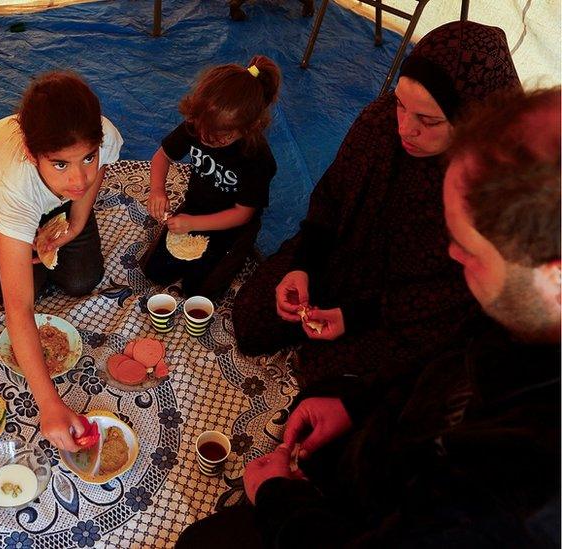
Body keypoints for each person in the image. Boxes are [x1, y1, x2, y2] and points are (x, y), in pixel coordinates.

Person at [177, 86, 561, 548]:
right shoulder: (517, 315)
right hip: (385, 453)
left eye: (472, 251)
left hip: (374, 513)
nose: (453, 256)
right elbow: (443, 363)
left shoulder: (517, 496)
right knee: (318, 392)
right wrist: (357, 403)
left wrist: (280, 500)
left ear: (555, 275)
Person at [232, 21, 522, 388]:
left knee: (333, 381)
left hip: (411, 307)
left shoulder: (496, 184)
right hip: (347, 259)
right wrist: (303, 265)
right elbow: (332, 198)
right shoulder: (380, 122)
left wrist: (355, 316)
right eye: (401, 105)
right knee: (253, 320)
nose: (404, 128)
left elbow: (447, 293)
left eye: (427, 121)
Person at [0, 71, 124, 451]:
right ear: (33, 155)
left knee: (83, 279)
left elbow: (92, 177)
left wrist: (77, 221)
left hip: (53, 205)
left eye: (87, 156)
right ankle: (11, 235)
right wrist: (49, 404)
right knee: (18, 291)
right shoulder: (11, 184)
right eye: (60, 164)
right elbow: (19, 307)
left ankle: (51, 222)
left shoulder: (102, 136)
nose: (79, 180)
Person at [143, 58, 280, 299]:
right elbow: (161, 156)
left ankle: (240, 252)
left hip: (233, 226)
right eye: (203, 131)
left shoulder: (257, 157)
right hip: (196, 208)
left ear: (248, 128)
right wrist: (157, 190)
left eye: (222, 136)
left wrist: (194, 225)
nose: (207, 139)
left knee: (198, 292)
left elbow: (243, 214)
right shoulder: (198, 125)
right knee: (154, 272)